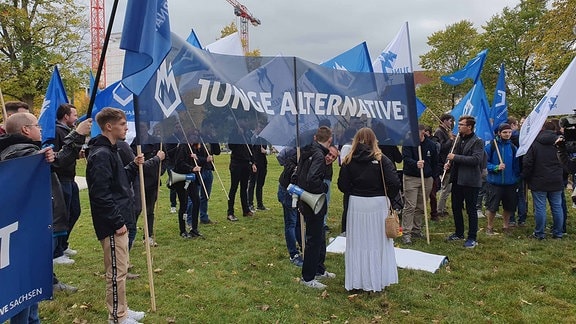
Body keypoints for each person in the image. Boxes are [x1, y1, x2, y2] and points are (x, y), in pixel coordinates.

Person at [1, 112, 80, 322]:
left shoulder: (30, 152)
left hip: (27, 229)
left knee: (31, 283)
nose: (41, 129)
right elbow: (60, 164)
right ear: (26, 130)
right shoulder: (23, 154)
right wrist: (77, 135)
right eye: (37, 125)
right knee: (25, 285)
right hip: (26, 231)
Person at [87, 108, 162, 324]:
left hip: (121, 216)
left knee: (121, 268)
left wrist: (132, 165)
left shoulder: (111, 150)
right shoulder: (101, 154)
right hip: (113, 222)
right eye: (122, 124)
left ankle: (123, 309)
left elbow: (119, 181)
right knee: (116, 272)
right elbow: (100, 194)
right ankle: (117, 316)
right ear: (109, 126)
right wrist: (117, 221)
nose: (126, 127)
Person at [338, 127, 400, 292]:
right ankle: (377, 278)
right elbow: (394, 182)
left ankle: (358, 279)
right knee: (377, 242)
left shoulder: (348, 159)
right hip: (378, 202)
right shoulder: (382, 159)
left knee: (358, 242)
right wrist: (387, 197)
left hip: (357, 204)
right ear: (374, 140)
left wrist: (354, 191)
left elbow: (342, 185)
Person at [45, 104, 86, 264]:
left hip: (71, 178)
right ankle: (57, 252)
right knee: (62, 215)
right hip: (60, 179)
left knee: (73, 211)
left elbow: (67, 154)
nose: (76, 118)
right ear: (65, 116)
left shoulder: (67, 131)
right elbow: (57, 157)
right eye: (74, 115)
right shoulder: (57, 131)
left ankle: (64, 244)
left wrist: (77, 154)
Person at [297, 126, 335, 289]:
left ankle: (319, 269)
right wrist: (323, 188)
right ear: (330, 140)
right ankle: (308, 277)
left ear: (315, 137)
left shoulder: (308, 151)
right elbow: (313, 179)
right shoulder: (319, 155)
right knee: (314, 239)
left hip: (305, 199)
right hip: (314, 201)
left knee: (319, 235)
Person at [444, 115, 484, 248]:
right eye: (459, 124)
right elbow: (452, 157)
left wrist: (455, 157)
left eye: (461, 124)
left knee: (471, 209)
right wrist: (448, 164)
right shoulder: (458, 140)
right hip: (457, 180)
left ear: (469, 127)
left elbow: (476, 160)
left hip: (470, 181)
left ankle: (472, 237)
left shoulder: (477, 141)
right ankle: (459, 232)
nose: (459, 126)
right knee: (456, 207)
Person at [522, 121, 564, 240]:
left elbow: (527, 162)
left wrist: (526, 176)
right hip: (556, 179)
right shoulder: (560, 143)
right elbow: (566, 161)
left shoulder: (533, 143)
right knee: (557, 207)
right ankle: (558, 233)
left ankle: (540, 233)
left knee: (540, 208)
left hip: (538, 179)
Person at [401, 124, 439, 244]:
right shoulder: (408, 143)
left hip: (427, 178)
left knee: (421, 205)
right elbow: (405, 158)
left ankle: (416, 230)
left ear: (423, 132)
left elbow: (435, 162)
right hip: (411, 177)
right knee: (410, 205)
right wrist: (415, 163)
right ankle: (406, 233)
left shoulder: (431, 145)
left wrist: (434, 176)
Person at [484, 123, 520, 235]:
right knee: (492, 207)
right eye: (505, 132)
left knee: (509, 207)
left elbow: (516, 165)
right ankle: (489, 226)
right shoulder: (491, 146)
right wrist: (495, 167)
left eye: (509, 132)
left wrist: (516, 178)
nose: (507, 134)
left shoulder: (513, 148)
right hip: (495, 182)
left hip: (510, 183)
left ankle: (506, 226)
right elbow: (485, 163)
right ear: (499, 133)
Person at [130, 123, 163, 246]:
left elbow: (165, 159)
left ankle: (148, 235)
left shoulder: (156, 142)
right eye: (140, 128)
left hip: (152, 181)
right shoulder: (133, 144)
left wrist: (160, 172)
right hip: (138, 182)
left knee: (150, 210)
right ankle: (131, 236)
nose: (142, 130)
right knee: (136, 209)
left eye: (144, 128)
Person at [277, 146, 303, 267]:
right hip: (288, 190)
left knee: (298, 221)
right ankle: (293, 254)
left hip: (298, 191)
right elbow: (284, 160)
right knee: (291, 222)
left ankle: (302, 246)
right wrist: (295, 168)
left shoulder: (308, 153)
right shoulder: (296, 152)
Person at [226, 116, 256, 221]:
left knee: (244, 188)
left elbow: (250, 149)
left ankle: (246, 210)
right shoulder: (234, 133)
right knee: (234, 188)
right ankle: (230, 212)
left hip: (246, 163)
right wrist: (237, 135)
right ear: (238, 121)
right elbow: (231, 146)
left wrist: (253, 162)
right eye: (243, 119)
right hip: (236, 163)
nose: (245, 122)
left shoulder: (247, 134)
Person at [173, 139, 203, 239]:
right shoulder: (182, 147)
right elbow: (179, 163)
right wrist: (192, 168)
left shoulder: (193, 147)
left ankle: (194, 228)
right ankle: (182, 230)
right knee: (184, 204)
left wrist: (195, 158)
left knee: (196, 201)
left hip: (191, 179)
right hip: (182, 179)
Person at [197, 119, 221, 224]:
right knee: (195, 196)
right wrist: (204, 160)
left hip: (209, 169)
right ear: (204, 127)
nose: (211, 129)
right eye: (210, 127)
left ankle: (204, 216)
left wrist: (214, 138)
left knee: (206, 195)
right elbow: (194, 155)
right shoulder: (198, 138)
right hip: (199, 169)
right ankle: (191, 218)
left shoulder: (211, 138)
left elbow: (217, 151)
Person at [434, 113, 455, 218]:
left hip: (447, 161)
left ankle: (442, 208)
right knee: (446, 187)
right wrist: (450, 140)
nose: (451, 123)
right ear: (445, 121)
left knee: (447, 187)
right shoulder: (439, 132)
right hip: (443, 162)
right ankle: (439, 209)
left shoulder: (445, 132)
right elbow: (441, 148)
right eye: (450, 121)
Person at [248, 120, 270, 212]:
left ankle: (260, 204)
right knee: (252, 184)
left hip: (263, 164)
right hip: (255, 164)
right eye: (259, 127)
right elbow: (249, 151)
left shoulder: (263, 139)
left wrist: (265, 151)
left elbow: (269, 151)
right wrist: (252, 163)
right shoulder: (252, 139)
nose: (260, 129)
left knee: (260, 184)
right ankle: (250, 204)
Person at [322, 145, 339, 231]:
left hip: (327, 178)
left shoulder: (329, 167)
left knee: (325, 201)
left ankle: (323, 223)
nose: (330, 158)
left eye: (333, 157)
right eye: (329, 154)